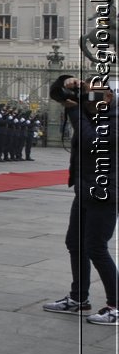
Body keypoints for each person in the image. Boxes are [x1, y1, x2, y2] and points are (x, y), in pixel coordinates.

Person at [44, 75, 118, 324]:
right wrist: (67, 82)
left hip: (105, 194)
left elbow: (92, 143)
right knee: (75, 243)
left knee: (96, 247)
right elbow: (57, 94)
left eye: (94, 95)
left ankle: (115, 306)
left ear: (108, 97)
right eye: (87, 94)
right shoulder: (91, 111)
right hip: (85, 190)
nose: (88, 99)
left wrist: (76, 112)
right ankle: (78, 299)